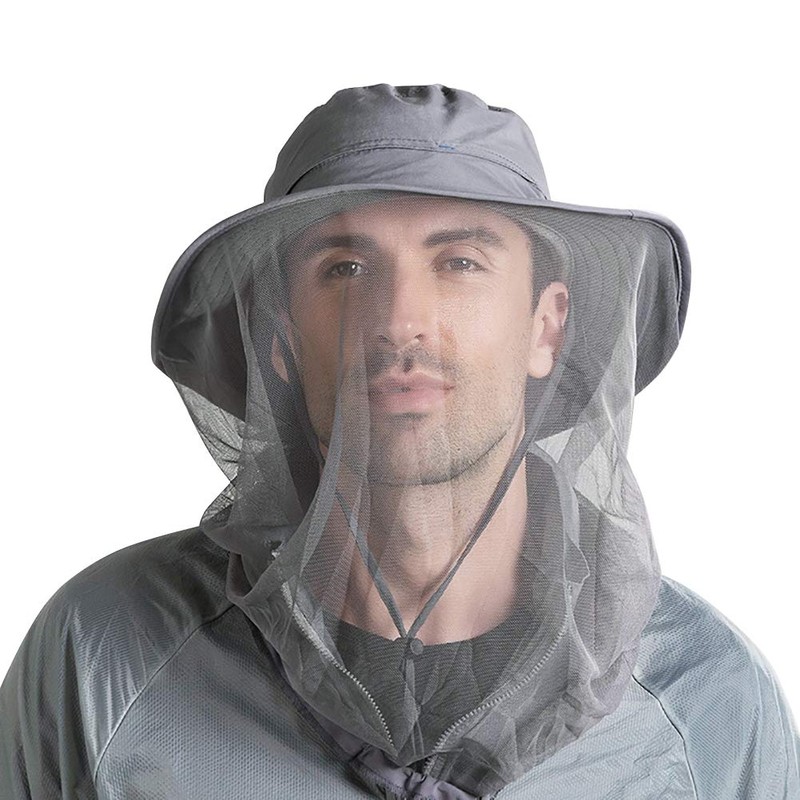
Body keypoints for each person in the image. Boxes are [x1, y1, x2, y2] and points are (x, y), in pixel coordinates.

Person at [1, 84, 797, 799]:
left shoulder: (707, 701)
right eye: (345, 268)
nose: (400, 319)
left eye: (460, 262)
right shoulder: (104, 655)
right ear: (279, 335)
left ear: (546, 327)